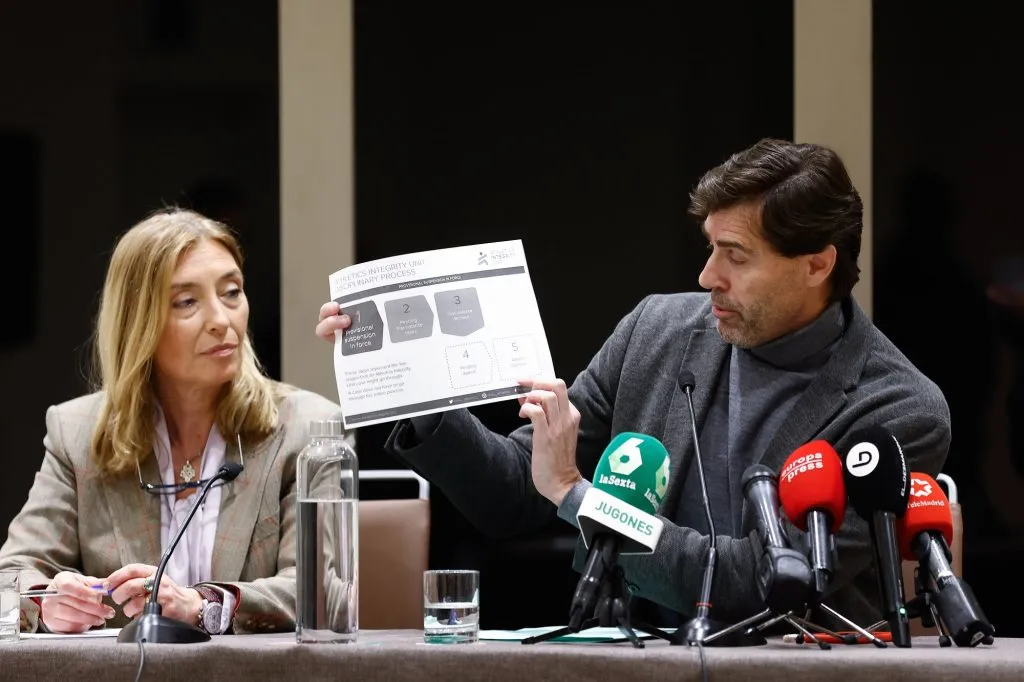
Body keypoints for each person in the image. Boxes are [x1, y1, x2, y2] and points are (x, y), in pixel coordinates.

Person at [316, 138, 951, 629]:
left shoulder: (897, 409)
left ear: (818, 263)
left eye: (736, 255)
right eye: (709, 248)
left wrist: (576, 493)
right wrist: (408, 386)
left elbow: (754, 581)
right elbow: (514, 490)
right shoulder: (658, 330)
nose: (707, 278)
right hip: (633, 654)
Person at [0, 208, 347, 635]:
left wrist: (200, 605)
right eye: (187, 302)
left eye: (232, 292)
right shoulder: (77, 433)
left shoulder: (306, 430)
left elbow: (318, 591)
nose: (222, 320)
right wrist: (47, 602)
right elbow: (10, 577)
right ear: (138, 322)